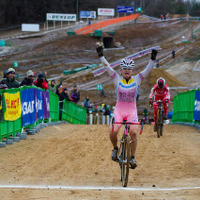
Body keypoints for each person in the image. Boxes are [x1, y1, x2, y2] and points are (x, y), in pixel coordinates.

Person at [96, 45, 158, 169]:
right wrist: (101, 55)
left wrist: (152, 59)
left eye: (129, 69)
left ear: (132, 71)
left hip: (131, 111)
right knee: (113, 130)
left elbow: (147, 69)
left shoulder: (137, 79)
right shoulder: (116, 79)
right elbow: (107, 67)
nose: (127, 70)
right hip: (119, 110)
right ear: (121, 70)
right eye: (124, 68)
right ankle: (115, 148)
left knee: (133, 133)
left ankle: (133, 157)